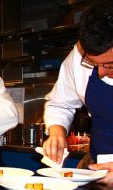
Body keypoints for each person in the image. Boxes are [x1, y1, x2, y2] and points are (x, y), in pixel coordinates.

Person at [42, 0, 113, 172]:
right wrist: (57, 131)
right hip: (99, 167)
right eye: (94, 64)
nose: (101, 73)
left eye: (110, 65)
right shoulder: (77, 58)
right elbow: (60, 103)